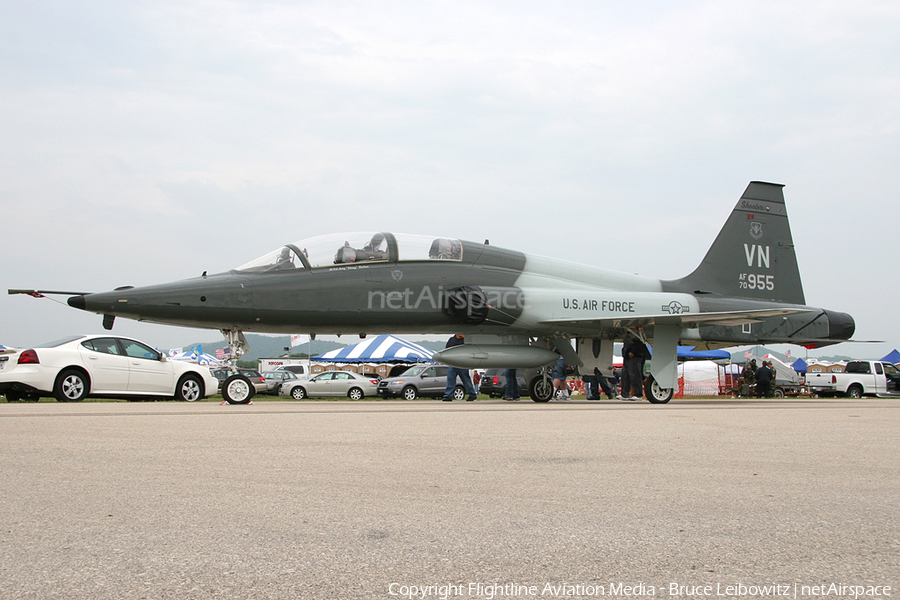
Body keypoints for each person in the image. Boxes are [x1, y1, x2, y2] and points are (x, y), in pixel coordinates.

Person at [441, 334, 477, 401]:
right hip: (452, 363)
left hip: (463, 363)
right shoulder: (451, 340)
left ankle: (472, 394)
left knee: (466, 380)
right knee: (450, 379)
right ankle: (448, 395)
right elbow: (447, 350)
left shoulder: (466, 340)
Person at [622, 335, 650, 400]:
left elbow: (639, 342)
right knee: (626, 375)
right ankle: (625, 394)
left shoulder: (636, 333)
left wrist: (633, 352)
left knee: (635, 375)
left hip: (635, 356)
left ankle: (638, 394)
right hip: (627, 355)